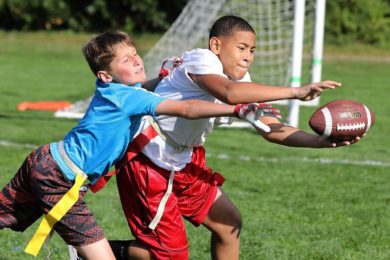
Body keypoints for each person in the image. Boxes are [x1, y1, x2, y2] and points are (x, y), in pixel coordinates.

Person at [0, 30, 268, 259]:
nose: (137, 61)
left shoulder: (112, 89)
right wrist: (235, 110)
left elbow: (143, 91)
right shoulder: (128, 97)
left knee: (3, 215)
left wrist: (165, 77)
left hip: (45, 161)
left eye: (135, 54)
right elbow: (185, 108)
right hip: (59, 180)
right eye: (126, 60)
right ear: (106, 75)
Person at [111, 15, 360, 260]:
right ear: (216, 45)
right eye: (241, 48)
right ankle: (100, 252)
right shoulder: (202, 59)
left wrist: (319, 142)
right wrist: (295, 91)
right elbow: (229, 93)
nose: (248, 56)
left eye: (252, 50)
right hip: (150, 159)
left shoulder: (241, 82)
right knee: (169, 254)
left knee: (229, 224)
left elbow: (271, 129)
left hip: (185, 160)